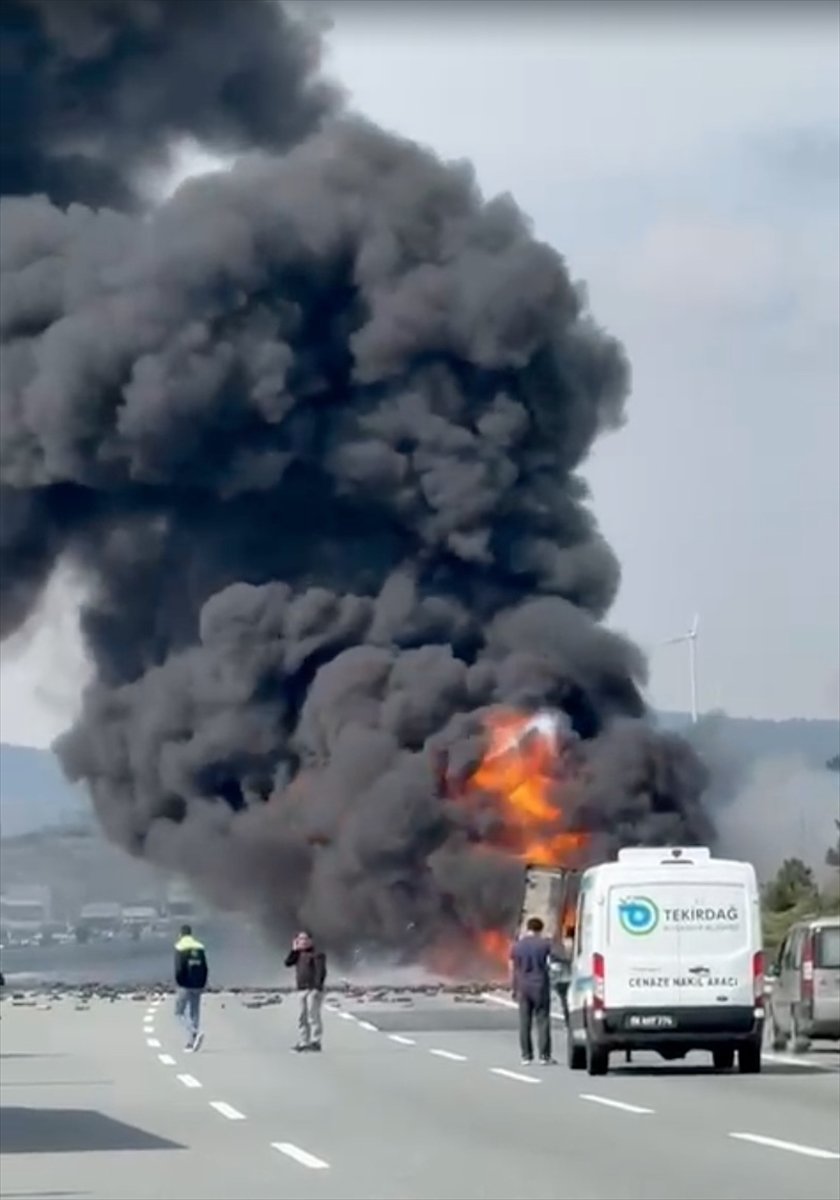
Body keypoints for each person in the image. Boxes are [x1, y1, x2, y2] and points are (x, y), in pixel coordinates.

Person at [510, 916, 554, 1066]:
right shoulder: (545, 944)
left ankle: (526, 1056)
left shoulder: (517, 946)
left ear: (527, 928)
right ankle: (544, 1056)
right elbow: (554, 961)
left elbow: (513, 967)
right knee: (543, 1020)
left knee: (524, 1022)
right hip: (540, 985)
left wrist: (514, 987)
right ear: (540, 930)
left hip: (523, 987)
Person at [284, 931, 327, 1052]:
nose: (303, 941)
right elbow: (287, 963)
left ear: (310, 941)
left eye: (305, 939)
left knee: (313, 1016)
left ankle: (315, 1041)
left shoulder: (317, 954)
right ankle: (304, 1041)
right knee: (302, 1017)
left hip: (313, 989)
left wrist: (317, 988)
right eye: (300, 939)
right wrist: (294, 950)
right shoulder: (298, 955)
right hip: (301, 989)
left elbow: (321, 972)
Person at [174, 924, 208, 1052]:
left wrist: (179, 982)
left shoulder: (180, 947)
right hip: (198, 984)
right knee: (195, 1012)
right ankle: (191, 1042)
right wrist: (203, 983)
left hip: (185, 985)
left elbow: (179, 968)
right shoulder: (199, 947)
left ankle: (194, 1032)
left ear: (181, 934)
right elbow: (205, 967)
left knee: (179, 1012)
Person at [551, 936, 573, 1027]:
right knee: (566, 1002)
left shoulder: (557, 955)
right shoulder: (571, 955)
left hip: (562, 980)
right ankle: (568, 1021)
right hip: (566, 980)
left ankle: (568, 1021)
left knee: (565, 1002)